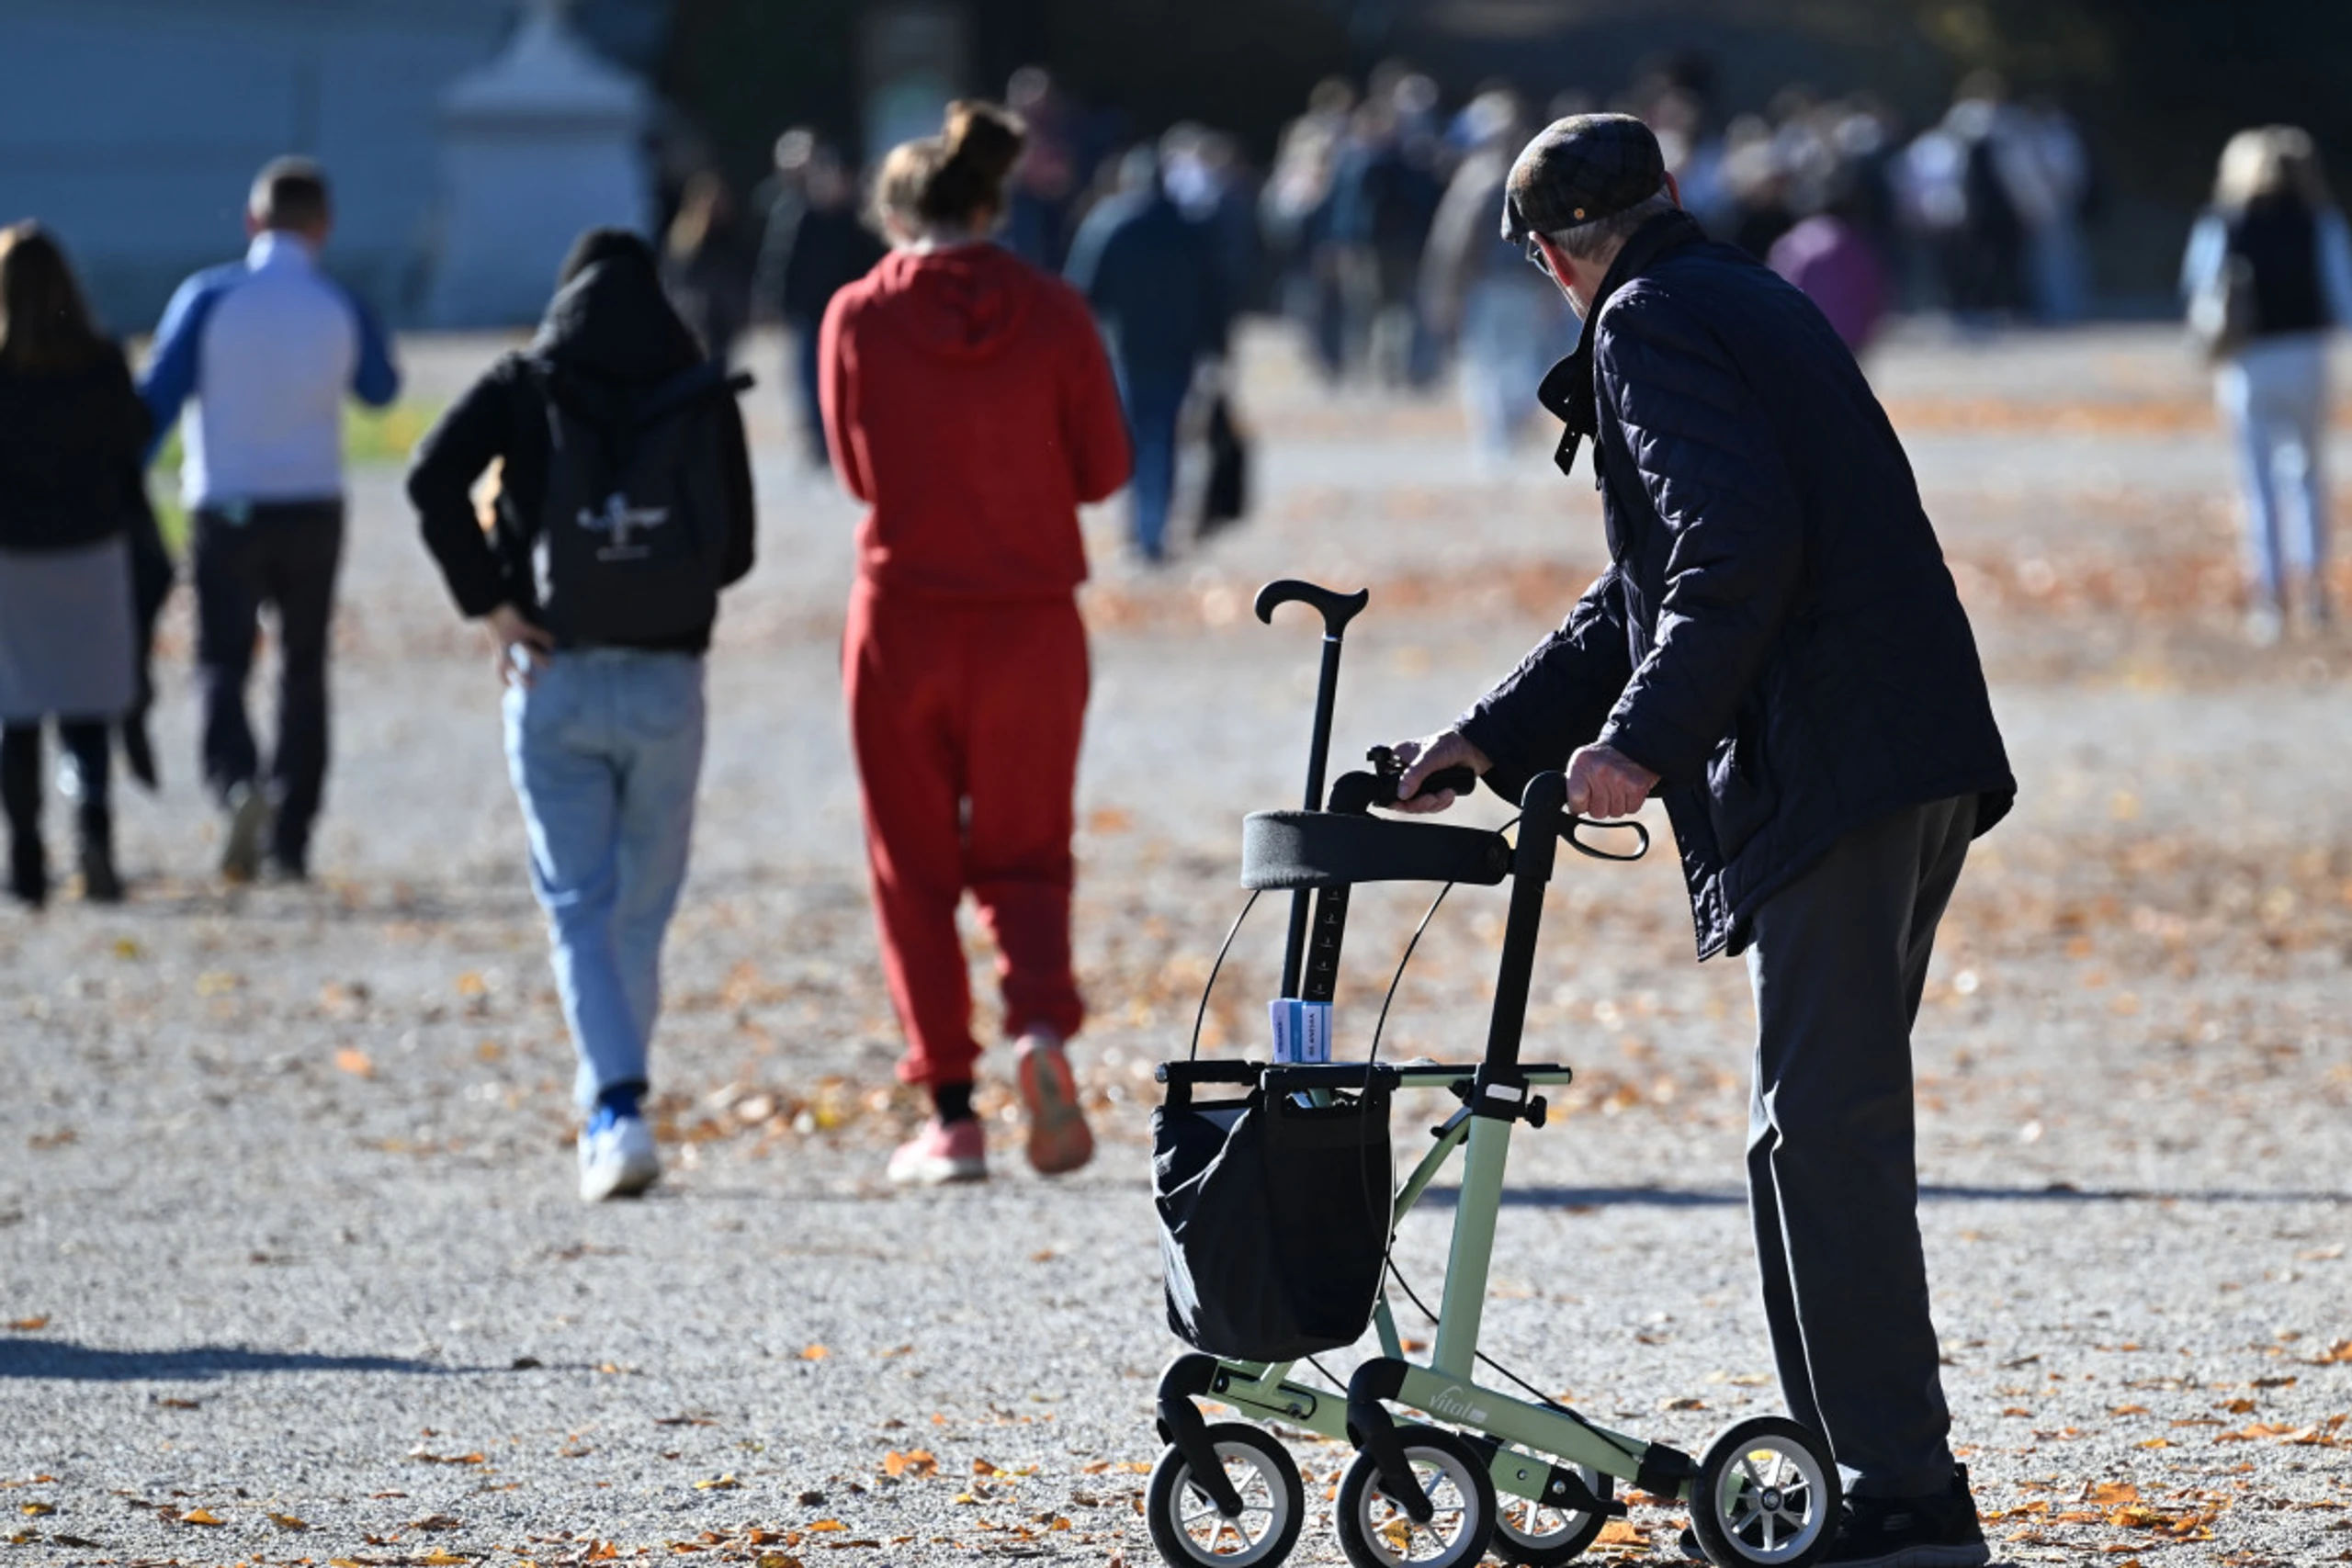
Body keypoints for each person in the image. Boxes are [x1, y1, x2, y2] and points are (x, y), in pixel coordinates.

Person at [1388, 114, 2014, 1568]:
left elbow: (1734, 554)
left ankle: (1902, 1492)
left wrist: (1642, 744)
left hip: (1841, 759)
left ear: (1549, 257)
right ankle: (1857, 1476)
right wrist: (1493, 734)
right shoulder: (1734, 291)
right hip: (1900, 749)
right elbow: (1643, 587)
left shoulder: (1648, 325)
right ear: (1666, 195)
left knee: (1825, 1137)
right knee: (1802, 1136)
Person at [404, 228, 757, 1202]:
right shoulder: (699, 388)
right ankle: (617, 1099)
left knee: (577, 906)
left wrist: (491, 602)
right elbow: (734, 554)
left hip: (549, 670)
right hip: (667, 682)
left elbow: (430, 478)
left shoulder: (525, 385)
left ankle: (613, 1105)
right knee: (640, 908)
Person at [820, 99, 1130, 1186]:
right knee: (1027, 853)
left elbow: (855, 473)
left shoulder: (857, 315)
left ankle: (949, 1111)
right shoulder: (1053, 312)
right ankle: (1039, 1034)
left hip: (903, 615)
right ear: (994, 202)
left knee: (911, 864)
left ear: (898, 214)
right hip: (1032, 615)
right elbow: (1104, 470)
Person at [140, 156, 401, 883]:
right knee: (304, 665)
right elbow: (381, 390)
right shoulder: (338, 302)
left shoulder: (208, 297)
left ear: (252, 220)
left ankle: (235, 782)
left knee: (222, 660)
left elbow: (153, 404)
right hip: (314, 499)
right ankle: (293, 833)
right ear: (325, 227)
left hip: (226, 500)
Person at [0, 224, 152, 908]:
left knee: (18, 706)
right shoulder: (101, 360)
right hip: (93, 549)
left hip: (12, 556)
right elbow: (134, 441)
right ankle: (94, 823)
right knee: (87, 704)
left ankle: (26, 852)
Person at [2181, 126, 2352, 644]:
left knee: (2257, 481)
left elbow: (2198, 290)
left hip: (2249, 360)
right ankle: (2315, 589)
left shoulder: (2226, 223)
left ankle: (2270, 597)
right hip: (2305, 355)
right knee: (2305, 475)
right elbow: (2341, 291)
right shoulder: (2317, 221)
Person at [1065, 145, 1229, 563]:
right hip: (1179, 349)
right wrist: (1217, 345)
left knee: (1135, 438)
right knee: (1166, 436)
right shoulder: (1188, 227)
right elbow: (1215, 292)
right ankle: (1154, 528)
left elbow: (1082, 291)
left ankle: (1142, 529)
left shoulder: (1111, 224)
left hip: (1130, 348)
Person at [758, 141, 886, 468]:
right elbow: (781, 263)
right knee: (813, 381)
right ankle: (822, 442)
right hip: (812, 313)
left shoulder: (857, 219)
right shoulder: (800, 218)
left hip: (855, 314)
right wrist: (775, 303)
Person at [662, 170, 753, 367]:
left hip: (726, 310)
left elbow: (740, 266)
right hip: (698, 311)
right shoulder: (686, 232)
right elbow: (679, 271)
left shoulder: (730, 229)